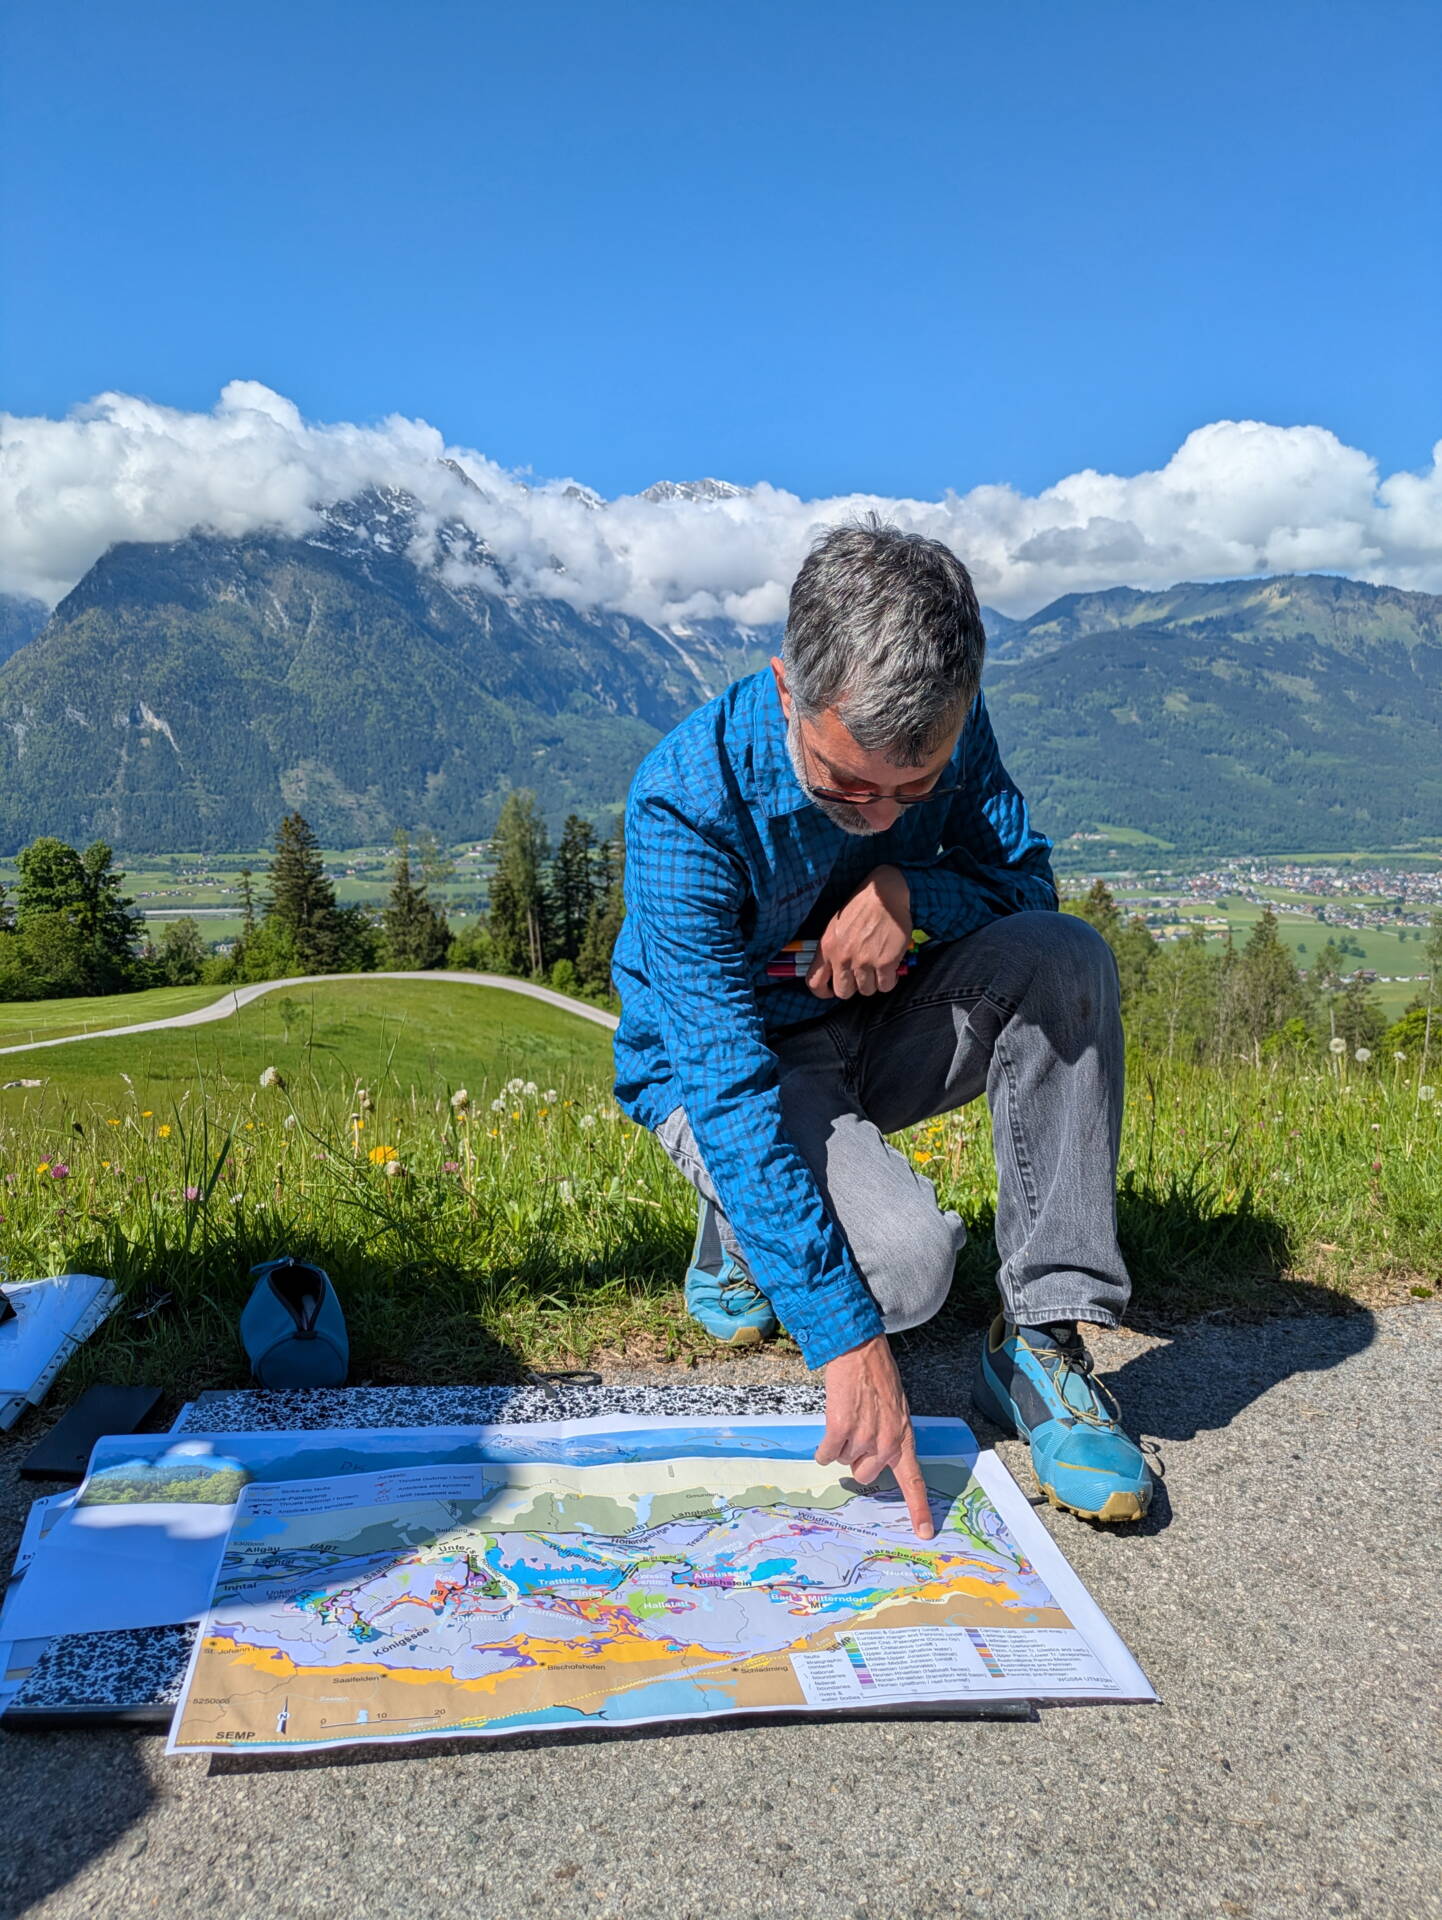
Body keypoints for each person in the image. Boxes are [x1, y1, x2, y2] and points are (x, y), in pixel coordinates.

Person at [611, 520, 1152, 1529]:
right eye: (843, 780)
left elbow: (1021, 881)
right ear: (788, 690)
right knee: (902, 1280)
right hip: (738, 1066)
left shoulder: (952, 721)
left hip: (877, 1019)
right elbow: (723, 1087)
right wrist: (848, 1348)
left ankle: (1038, 1340)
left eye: (912, 788)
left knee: (1065, 954)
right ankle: (739, 1223)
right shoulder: (685, 805)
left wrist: (911, 892)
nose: (875, 808)